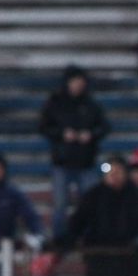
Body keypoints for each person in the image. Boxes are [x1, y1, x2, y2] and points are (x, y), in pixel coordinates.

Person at [38, 65, 109, 239]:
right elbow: (43, 126)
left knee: (89, 204)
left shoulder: (91, 104)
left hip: (85, 163)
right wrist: (62, 134)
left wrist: (90, 135)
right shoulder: (55, 103)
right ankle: (59, 238)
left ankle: (89, 236)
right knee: (60, 205)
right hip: (62, 162)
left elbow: (105, 127)